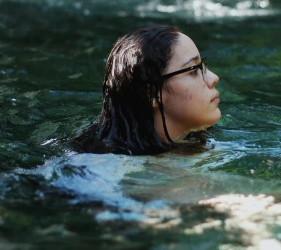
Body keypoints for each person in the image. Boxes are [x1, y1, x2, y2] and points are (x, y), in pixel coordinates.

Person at [71, 24, 221, 155]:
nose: (213, 78)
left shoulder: (195, 143)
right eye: (193, 69)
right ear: (152, 94)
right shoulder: (109, 171)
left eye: (203, 66)